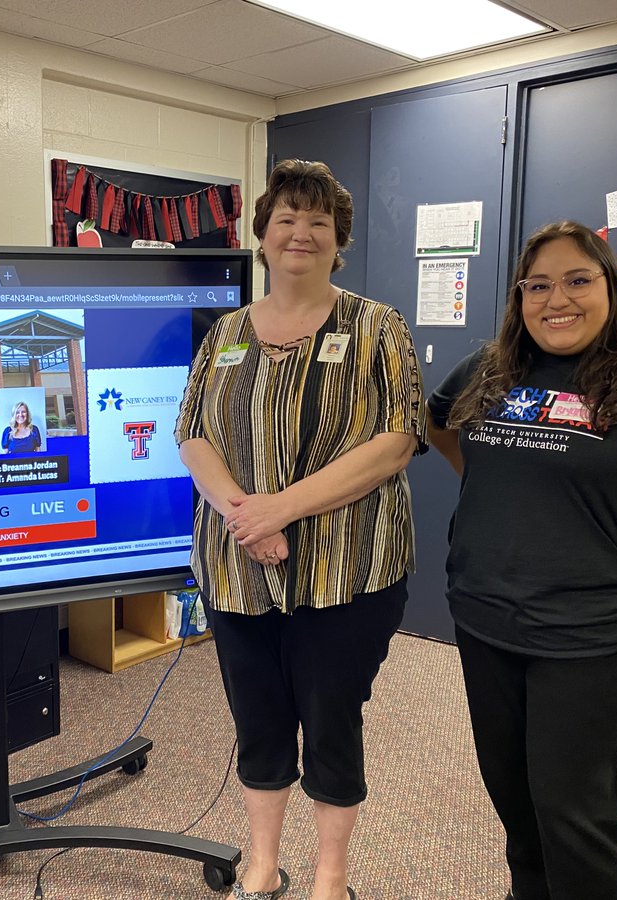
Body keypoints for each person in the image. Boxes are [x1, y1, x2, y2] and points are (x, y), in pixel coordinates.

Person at [426, 220, 617, 900]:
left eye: (577, 280)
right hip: (486, 615)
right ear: (519, 296)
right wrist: (490, 489)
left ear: (610, 287)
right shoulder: (492, 368)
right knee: (514, 799)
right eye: (537, 285)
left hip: (595, 631)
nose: (555, 299)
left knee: (575, 812)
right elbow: (439, 419)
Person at [175, 159, 426, 900]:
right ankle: (259, 860)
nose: (301, 232)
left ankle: (330, 876)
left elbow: (399, 437)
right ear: (262, 235)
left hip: (348, 568)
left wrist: (280, 509)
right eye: (286, 217)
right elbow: (193, 433)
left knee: (331, 719)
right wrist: (244, 518)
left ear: (338, 240)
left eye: (318, 221)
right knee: (257, 717)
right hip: (235, 566)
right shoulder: (224, 332)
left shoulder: (378, 326)